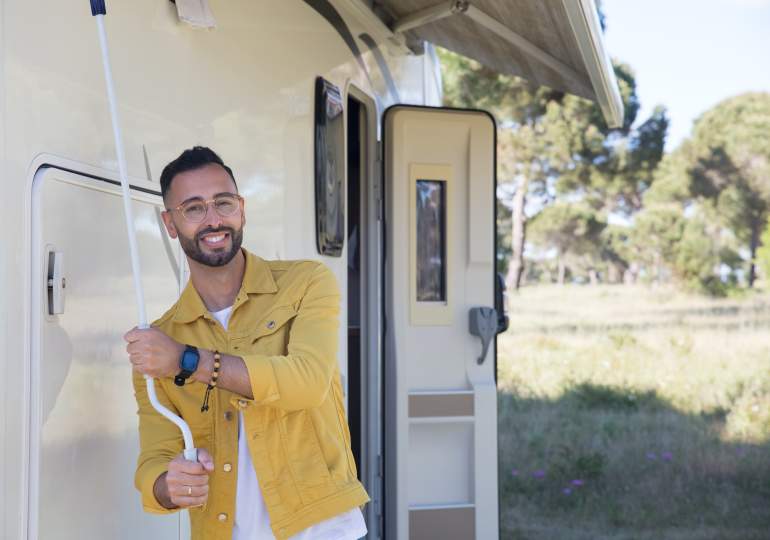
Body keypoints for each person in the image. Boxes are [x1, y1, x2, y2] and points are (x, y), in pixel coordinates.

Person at [125, 147, 369, 540]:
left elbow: (307, 383)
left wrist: (187, 360)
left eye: (223, 203)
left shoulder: (306, 282)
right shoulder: (160, 341)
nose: (214, 220)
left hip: (323, 530)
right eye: (193, 209)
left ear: (241, 208)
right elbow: (154, 457)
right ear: (170, 224)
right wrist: (167, 486)